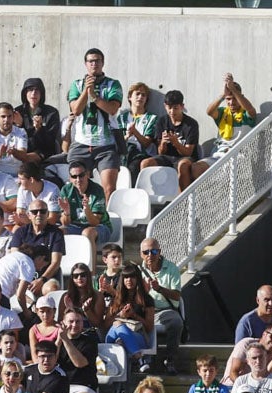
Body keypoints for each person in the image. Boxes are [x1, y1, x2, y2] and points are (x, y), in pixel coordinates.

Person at [66, 48, 124, 200]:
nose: (94, 64)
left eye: (97, 61)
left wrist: (95, 97)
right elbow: (76, 110)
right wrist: (86, 91)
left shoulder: (113, 84)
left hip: (106, 144)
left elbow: (112, 109)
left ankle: (105, 220)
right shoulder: (77, 85)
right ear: (85, 64)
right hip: (81, 143)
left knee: (109, 188)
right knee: (76, 186)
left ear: (103, 63)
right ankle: (80, 218)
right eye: (91, 61)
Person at [138, 237, 184, 375]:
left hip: (166, 310)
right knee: (136, 321)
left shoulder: (172, 268)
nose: (150, 255)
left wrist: (160, 289)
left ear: (159, 252)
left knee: (176, 322)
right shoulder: (137, 271)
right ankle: (145, 360)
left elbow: (177, 296)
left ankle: (170, 359)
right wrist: (144, 292)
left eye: (153, 251)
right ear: (141, 254)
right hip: (145, 309)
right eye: (146, 252)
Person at [141, 90, 201, 192]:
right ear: (165, 106)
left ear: (182, 106)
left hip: (185, 158)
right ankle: (149, 197)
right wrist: (163, 143)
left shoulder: (191, 124)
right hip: (167, 157)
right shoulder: (162, 121)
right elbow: (160, 152)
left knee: (183, 165)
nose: (172, 112)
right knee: (146, 163)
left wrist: (176, 143)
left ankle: (183, 200)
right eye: (169, 108)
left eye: (175, 108)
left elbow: (188, 152)